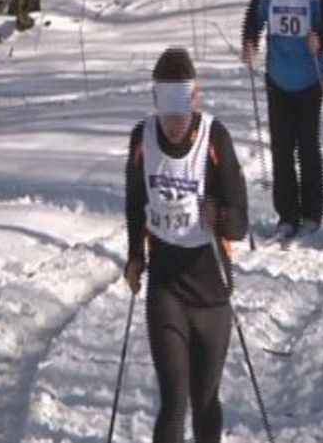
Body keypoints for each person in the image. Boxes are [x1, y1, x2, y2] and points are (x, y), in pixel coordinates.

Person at [124, 47, 248, 443]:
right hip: (166, 288)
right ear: (156, 100)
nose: (175, 122)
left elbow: (242, 223)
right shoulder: (142, 138)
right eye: (167, 108)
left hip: (212, 291)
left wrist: (221, 218)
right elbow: (135, 203)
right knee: (173, 401)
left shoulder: (216, 137)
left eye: (182, 107)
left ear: (196, 98)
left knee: (205, 400)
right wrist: (134, 257)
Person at [241, 0, 323, 239]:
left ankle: (311, 212)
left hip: (309, 79)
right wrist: (250, 42)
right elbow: (253, 20)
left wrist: (321, 40)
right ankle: (287, 216)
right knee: (282, 149)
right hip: (278, 78)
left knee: (307, 146)